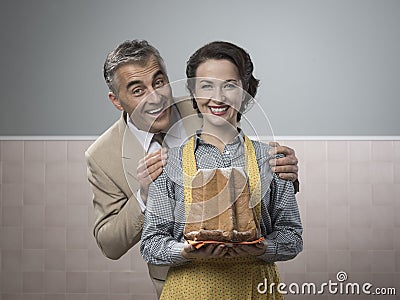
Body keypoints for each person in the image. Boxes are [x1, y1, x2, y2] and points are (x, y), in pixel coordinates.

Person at [85, 39, 300, 297]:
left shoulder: (209, 105)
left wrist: (282, 176)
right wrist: (145, 195)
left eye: (159, 82)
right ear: (117, 100)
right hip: (181, 282)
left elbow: (285, 226)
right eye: (137, 90)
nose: (155, 98)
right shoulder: (102, 156)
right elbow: (114, 244)